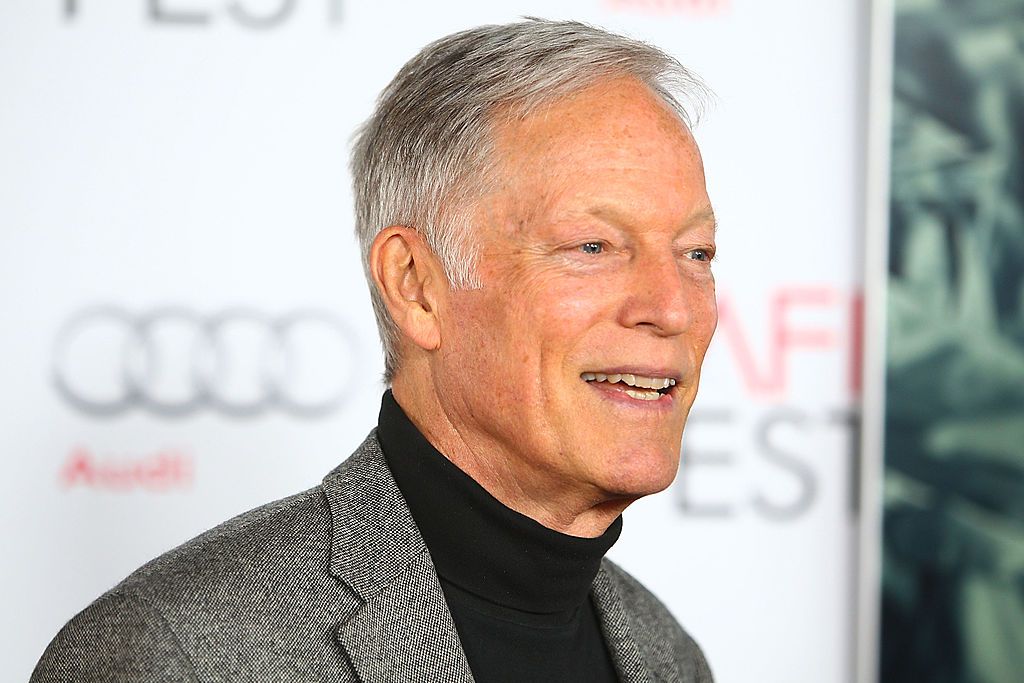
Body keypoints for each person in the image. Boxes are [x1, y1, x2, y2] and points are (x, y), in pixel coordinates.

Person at [32, 19, 718, 682]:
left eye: (696, 252)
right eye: (592, 247)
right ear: (416, 287)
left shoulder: (666, 652)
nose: (672, 307)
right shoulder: (171, 655)